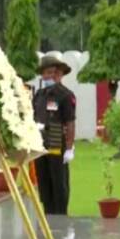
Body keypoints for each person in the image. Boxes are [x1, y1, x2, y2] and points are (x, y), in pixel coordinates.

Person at [33, 56, 76, 215]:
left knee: (59, 182)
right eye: (47, 73)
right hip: (40, 142)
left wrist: (69, 148)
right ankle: (48, 214)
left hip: (57, 140)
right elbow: (35, 115)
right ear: (42, 75)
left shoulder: (65, 95)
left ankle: (61, 216)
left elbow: (70, 122)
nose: (50, 76)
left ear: (59, 74)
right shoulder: (39, 95)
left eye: (54, 72)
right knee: (44, 181)